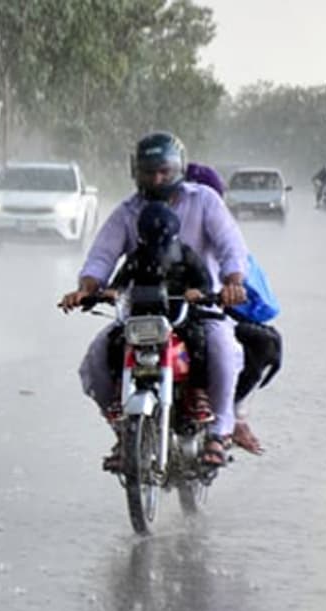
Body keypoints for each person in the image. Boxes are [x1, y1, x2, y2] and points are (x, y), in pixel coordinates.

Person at [59, 132, 248, 469]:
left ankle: (219, 432)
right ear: (136, 172)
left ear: (179, 169)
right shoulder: (128, 211)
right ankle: (123, 432)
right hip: (141, 313)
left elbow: (230, 246)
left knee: (220, 348)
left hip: (197, 308)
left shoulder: (204, 200)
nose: (156, 179)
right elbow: (102, 257)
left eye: (164, 171)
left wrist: (232, 283)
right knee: (98, 358)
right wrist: (89, 288)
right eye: (148, 171)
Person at [186, 161, 281, 455]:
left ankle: (229, 414)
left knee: (260, 343)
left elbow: (256, 297)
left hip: (210, 313)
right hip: (169, 315)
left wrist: (231, 290)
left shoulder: (226, 238)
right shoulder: (151, 224)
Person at [102, 202, 215, 433]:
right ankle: (117, 391)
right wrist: (112, 292)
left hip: (178, 318)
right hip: (141, 319)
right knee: (114, 340)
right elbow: (120, 282)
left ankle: (197, 393)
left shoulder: (185, 254)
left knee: (198, 339)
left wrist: (197, 293)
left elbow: (205, 282)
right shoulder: (137, 257)